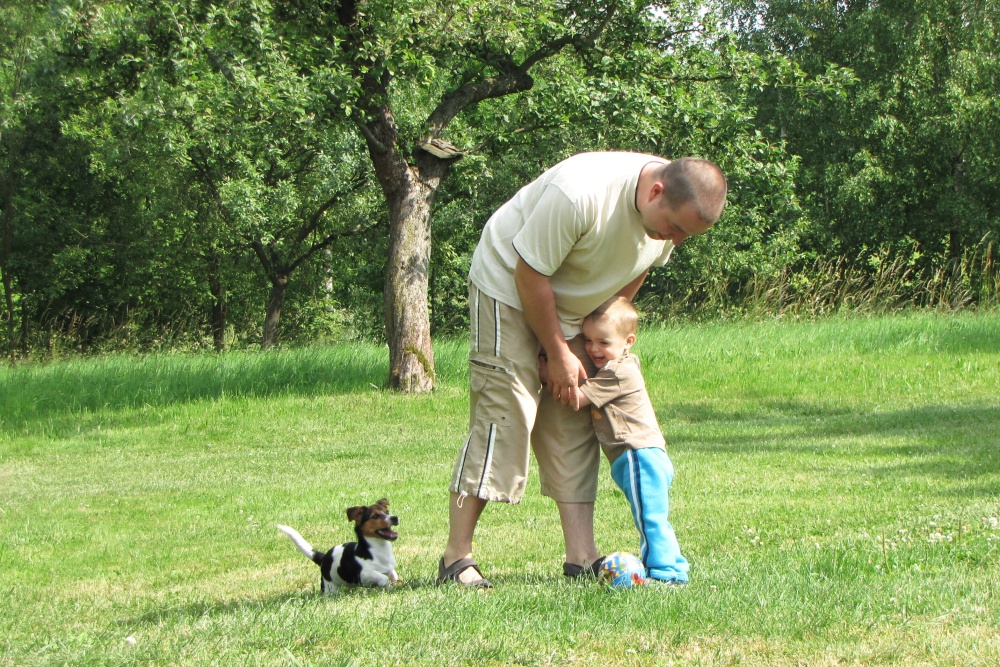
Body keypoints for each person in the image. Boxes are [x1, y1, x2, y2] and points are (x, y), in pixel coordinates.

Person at [436, 152, 726, 587]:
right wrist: (556, 351)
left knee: (572, 409)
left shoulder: (671, 213)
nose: (676, 241)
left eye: (687, 235)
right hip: (508, 287)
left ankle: (581, 558)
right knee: (506, 412)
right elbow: (529, 273)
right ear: (655, 191)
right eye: (678, 229)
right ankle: (455, 558)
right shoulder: (581, 193)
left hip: (574, 307)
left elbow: (633, 278)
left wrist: (591, 334)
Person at [570, 295, 689, 584]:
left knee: (650, 520)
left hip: (638, 455)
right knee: (653, 516)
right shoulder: (620, 365)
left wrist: (541, 369)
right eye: (588, 340)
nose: (593, 349)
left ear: (628, 341)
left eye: (603, 342)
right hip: (645, 455)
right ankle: (675, 567)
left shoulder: (618, 372)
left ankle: (664, 575)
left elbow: (575, 399)